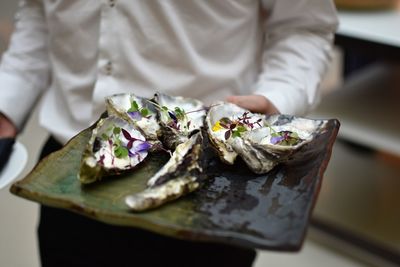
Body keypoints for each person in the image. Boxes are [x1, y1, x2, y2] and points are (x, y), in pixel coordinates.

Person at [0, 0, 338, 266]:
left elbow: (304, 26)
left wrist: (276, 97)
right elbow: (40, 19)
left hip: (211, 190)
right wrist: (6, 106)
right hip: (68, 182)